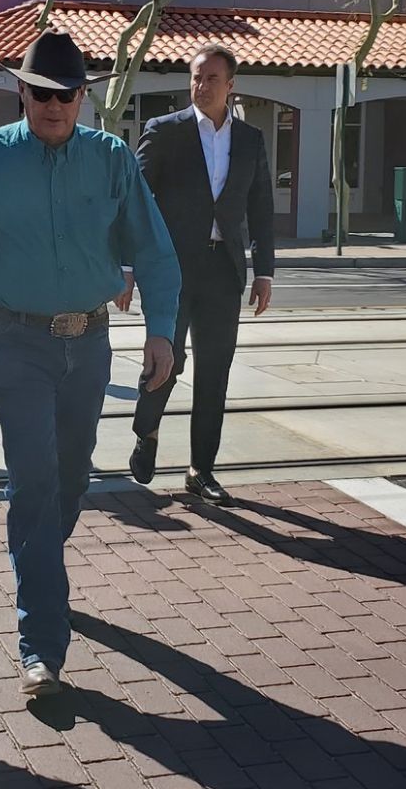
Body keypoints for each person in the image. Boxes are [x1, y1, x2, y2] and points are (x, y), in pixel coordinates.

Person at [0, 32, 180, 697]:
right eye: (41, 93)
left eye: (65, 94)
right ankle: (42, 645)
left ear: (82, 97)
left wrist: (161, 330)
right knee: (34, 482)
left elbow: (152, 249)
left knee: (70, 479)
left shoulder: (112, 158)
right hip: (14, 340)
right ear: (21, 92)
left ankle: (40, 564)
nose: (53, 105)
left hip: (89, 344)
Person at [123, 44, 276, 505]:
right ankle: (146, 432)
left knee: (215, 371)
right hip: (171, 269)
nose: (201, 85)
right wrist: (128, 266)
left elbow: (261, 207)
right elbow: (136, 199)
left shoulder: (249, 140)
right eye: (195, 77)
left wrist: (264, 270)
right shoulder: (164, 131)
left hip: (223, 270)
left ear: (231, 85)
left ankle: (201, 469)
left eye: (211, 78)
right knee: (167, 360)